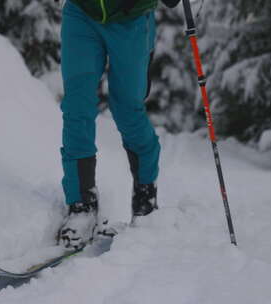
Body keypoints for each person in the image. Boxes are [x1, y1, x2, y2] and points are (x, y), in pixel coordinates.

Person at [57, 0, 180, 249]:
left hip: (131, 18)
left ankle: (145, 194)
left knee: (127, 110)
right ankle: (81, 205)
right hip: (82, 12)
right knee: (77, 108)